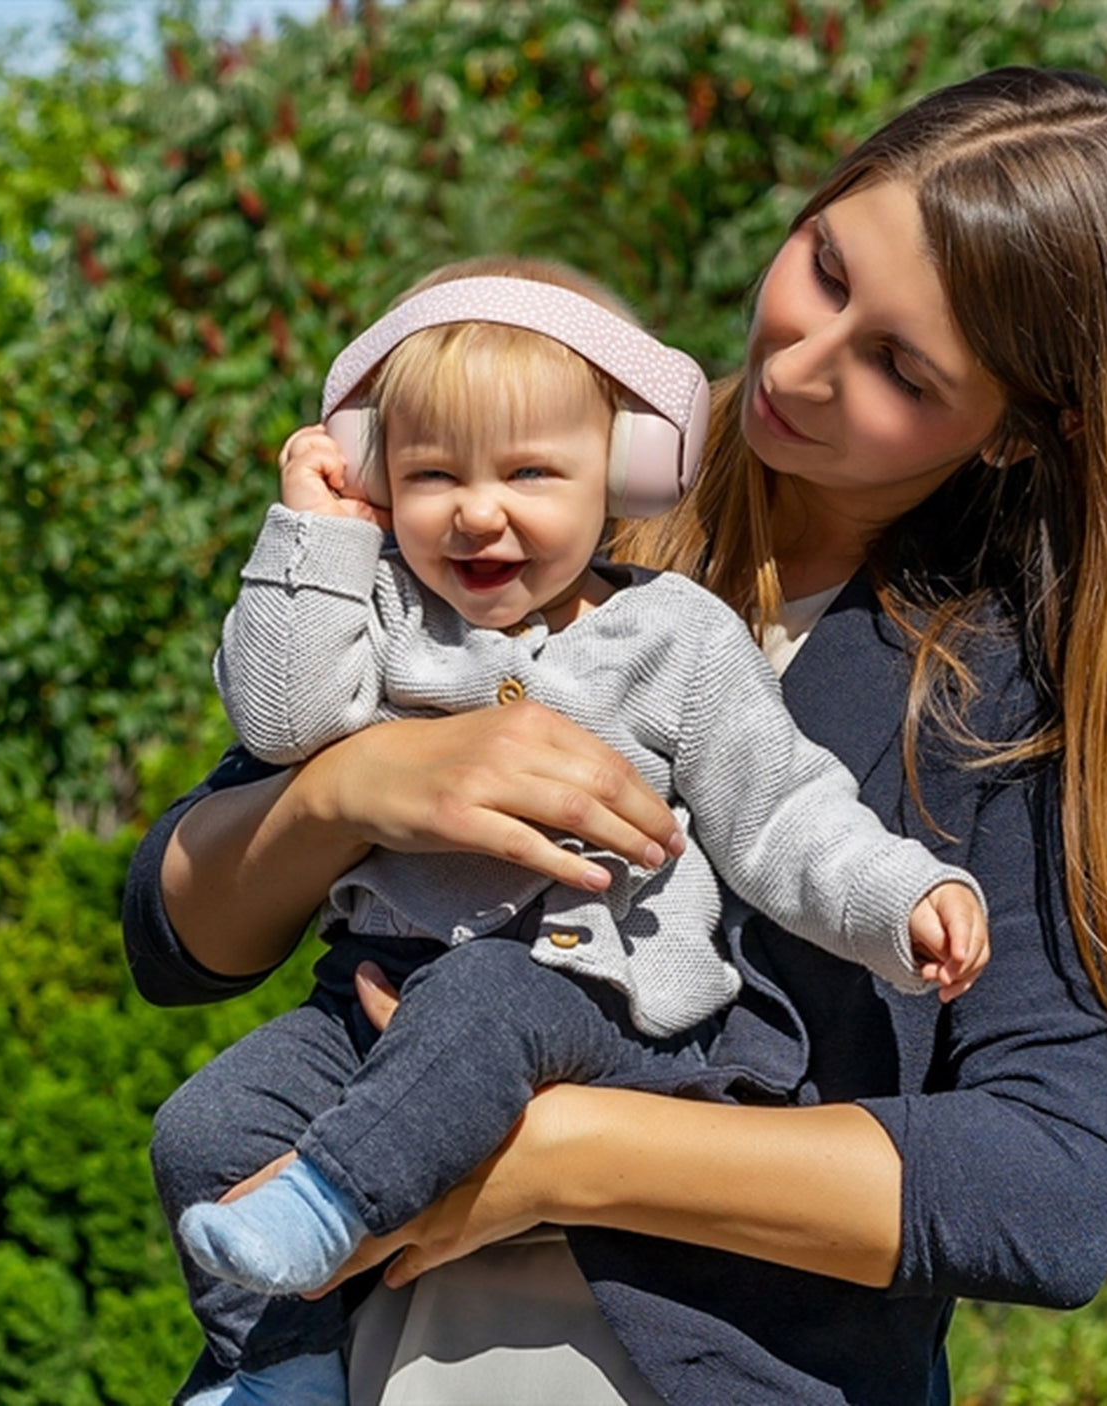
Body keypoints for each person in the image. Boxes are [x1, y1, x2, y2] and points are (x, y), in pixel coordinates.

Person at [124, 66, 1107, 1406]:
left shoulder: (1000, 703)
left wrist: (558, 1149)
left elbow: (1053, 1190)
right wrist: (352, 789)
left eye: (898, 367)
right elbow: (181, 932)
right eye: (822, 266)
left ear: (1009, 435)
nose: (800, 362)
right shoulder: (533, 494)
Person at [173, 255, 988, 1320]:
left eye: (528, 474)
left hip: (590, 995)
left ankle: (329, 1204)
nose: (475, 514)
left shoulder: (674, 637)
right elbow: (283, 721)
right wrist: (315, 535)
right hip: (374, 990)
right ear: (377, 473)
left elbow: (781, 810)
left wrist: (902, 897)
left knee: (481, 1000)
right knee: (203, 1127)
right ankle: (278, 1367)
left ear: (624, 472)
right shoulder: (374, 609)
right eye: (429, 476)